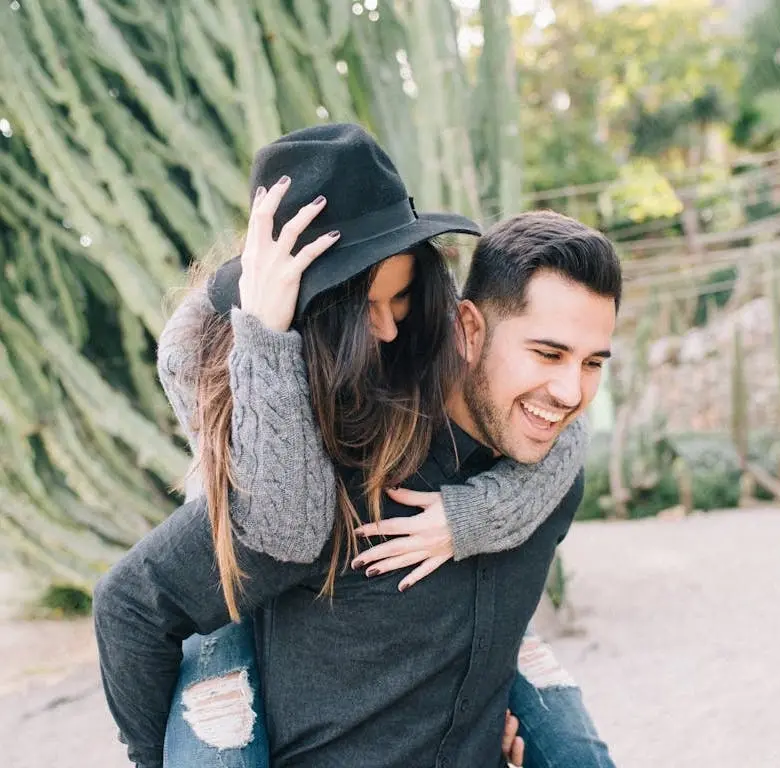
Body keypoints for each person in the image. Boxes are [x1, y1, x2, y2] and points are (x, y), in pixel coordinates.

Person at [97, 124, 618, 767]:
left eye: (593, 362)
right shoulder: (324, 465)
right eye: (546, 353)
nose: (570, 391)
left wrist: (491, 699)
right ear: (472, 327)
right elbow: (130, 607)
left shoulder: (548, 468)